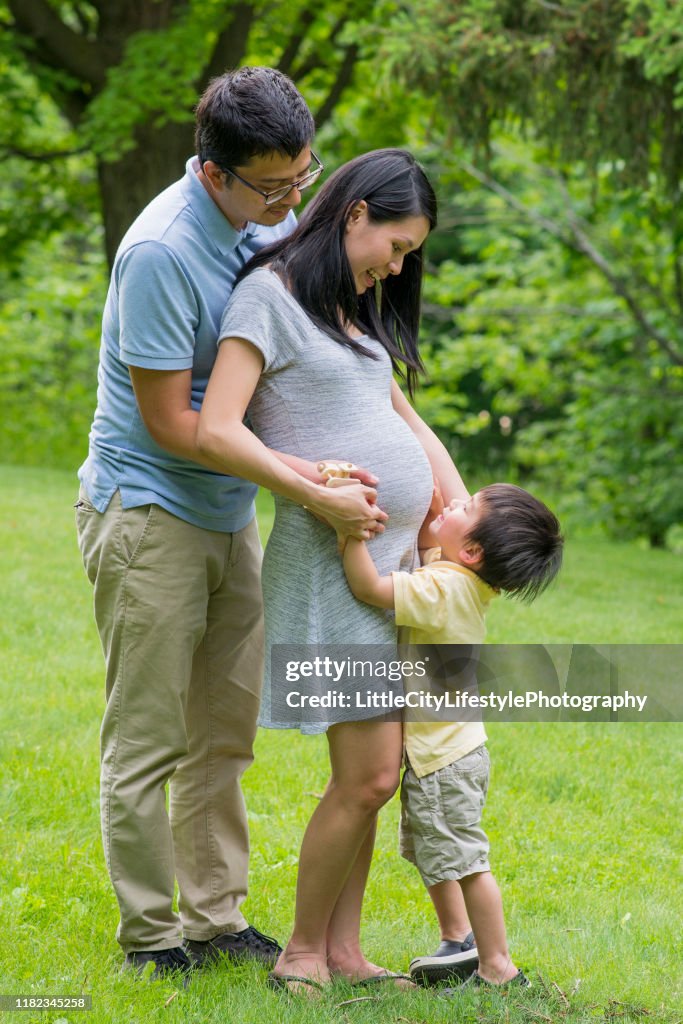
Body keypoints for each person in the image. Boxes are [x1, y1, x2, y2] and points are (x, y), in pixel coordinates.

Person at [75, 66, 383, 980]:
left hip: (225, 509)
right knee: (148, 738)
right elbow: (177, 422)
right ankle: (150, 939)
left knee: (223, 731)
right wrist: (305, 485)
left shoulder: (270, 214)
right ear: (213, 172)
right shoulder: (162, 252)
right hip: (147, 511)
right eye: (273, 185)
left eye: (303, 177)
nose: (293, 201)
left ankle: (213, 919)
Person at [197, 149, 471, 991]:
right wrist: (317, 493)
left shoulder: (351, 313)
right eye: (395, 244)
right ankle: (301, 954)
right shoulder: (268, 297)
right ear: (355, 214)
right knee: (369, 775)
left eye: (409, 255)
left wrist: (452, 519)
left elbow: (401, 417)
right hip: (331, 567)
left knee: (375, 779)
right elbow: (218, 428)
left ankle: (344, 953)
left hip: (389, 566)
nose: (398, 264)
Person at [342, 482, 564, 989]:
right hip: (449, 753)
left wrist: (350, 534)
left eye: (466, 507)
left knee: (466, 862)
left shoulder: (444, 589)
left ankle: (498, 966)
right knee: (435, 850)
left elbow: (370, 590)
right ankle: (458, 941)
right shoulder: (465, 582)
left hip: (442, 759)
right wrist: (433, 518)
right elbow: (429, 555)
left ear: (471, 552)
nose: (454, 503)